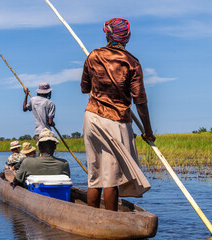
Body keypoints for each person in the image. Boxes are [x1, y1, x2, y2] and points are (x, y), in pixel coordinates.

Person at [81, 18, 156, 211]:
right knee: (111, 177)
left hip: (92, 118)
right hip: (116, 121)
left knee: (95, 174)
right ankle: (110, 221)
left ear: (107, 34)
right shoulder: (132, 62)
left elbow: (84, 88)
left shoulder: (93, 56)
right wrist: (148, 132)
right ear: (127, 37)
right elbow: (140, 100)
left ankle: (92, 218)